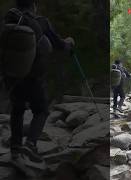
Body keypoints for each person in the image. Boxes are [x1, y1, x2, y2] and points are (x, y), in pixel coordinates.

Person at [2, 0, 75, 168]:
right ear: (34, 5)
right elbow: (58, 44)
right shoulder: (41, 22)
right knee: (41, 111)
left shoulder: (8, 20)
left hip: (12, 77)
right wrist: (69, 44)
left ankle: (15, 150)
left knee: (17, 111)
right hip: (33, 78)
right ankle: (31, 144)